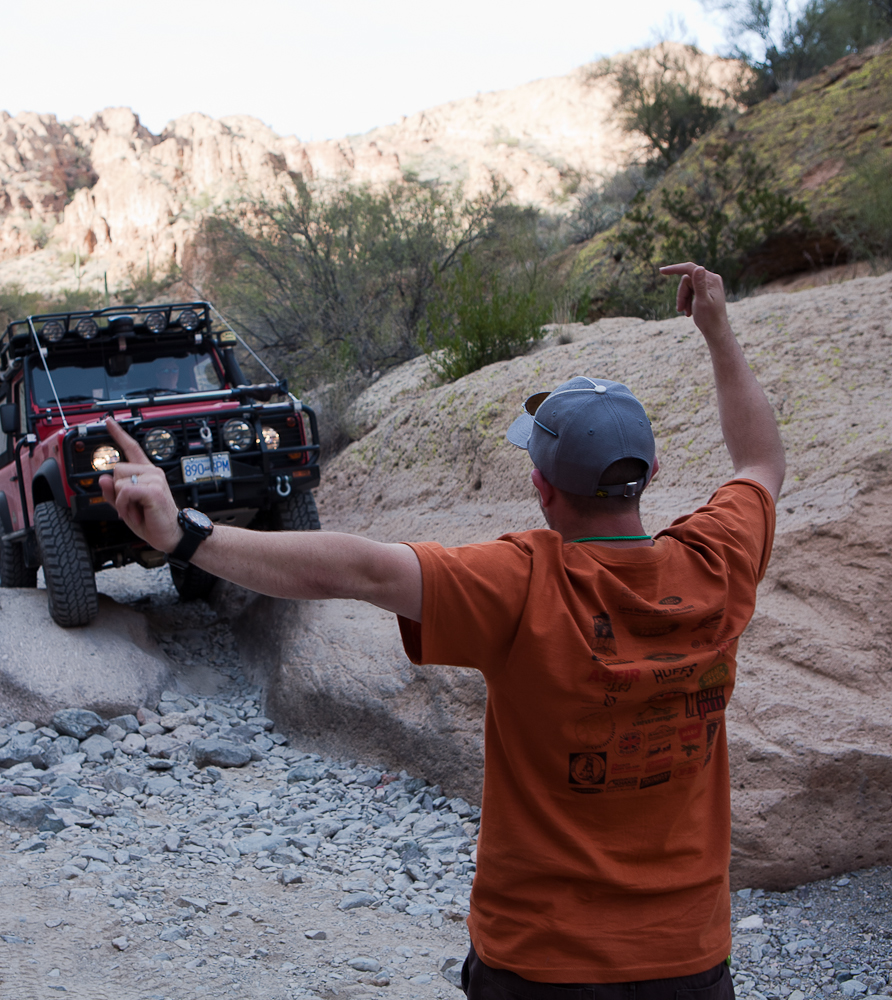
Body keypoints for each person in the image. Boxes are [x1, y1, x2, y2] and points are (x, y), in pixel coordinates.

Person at [99, 263, 784, 997]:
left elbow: (358, 571)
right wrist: (717, 331)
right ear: (652, 473)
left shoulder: (522, 581)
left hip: (541, 961)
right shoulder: (715, 562)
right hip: (688, 957)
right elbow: (761, 462)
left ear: (541, 487)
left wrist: (184, 535)